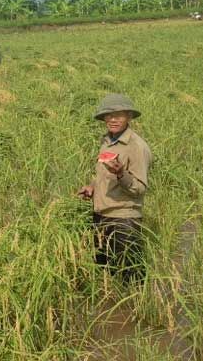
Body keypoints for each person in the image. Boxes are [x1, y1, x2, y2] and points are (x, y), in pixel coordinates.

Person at [77, 93, 152, 282]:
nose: (112, 119)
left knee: (131, 277)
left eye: (118, 115)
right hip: (101, 215)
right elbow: (103, 175)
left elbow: (139, 188)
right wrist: (92, 187)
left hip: (123, 220)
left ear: (129, 117)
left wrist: (121, 174)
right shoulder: (107, 141)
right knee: (104, 271)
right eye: (108, 115)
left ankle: (136, 310)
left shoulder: (137, 147)